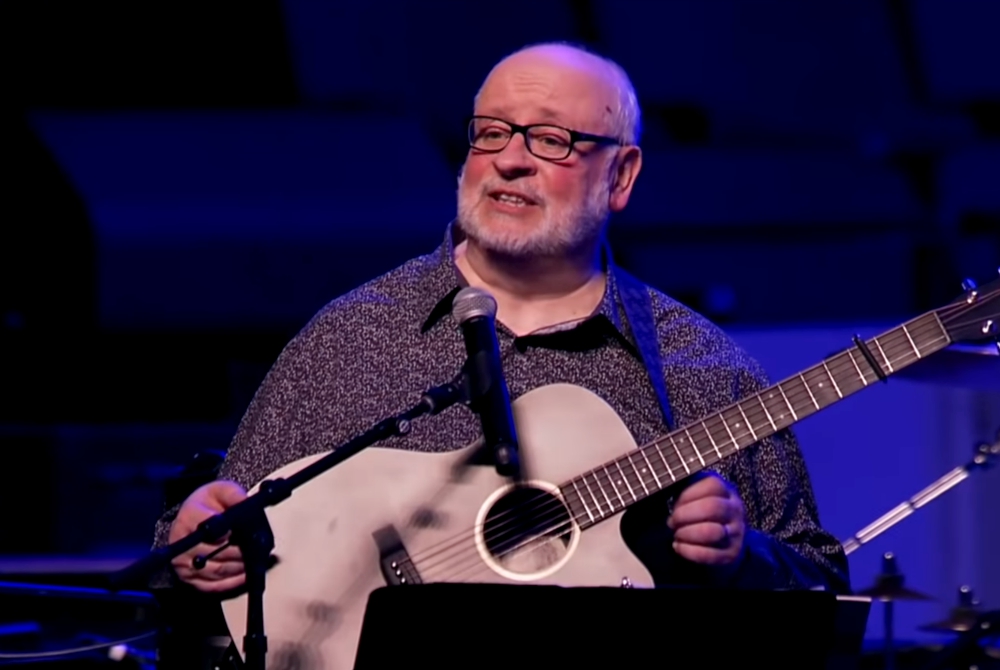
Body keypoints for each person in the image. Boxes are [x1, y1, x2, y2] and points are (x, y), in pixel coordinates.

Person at [152, 42, 849, 596]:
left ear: (622, 176)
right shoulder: (351, 339)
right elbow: (201, 540)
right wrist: (197, 546)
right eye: (490, 133)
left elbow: (821, 584)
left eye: (551, 140)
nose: (510, 160)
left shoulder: (706, 371)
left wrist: (743, 558)